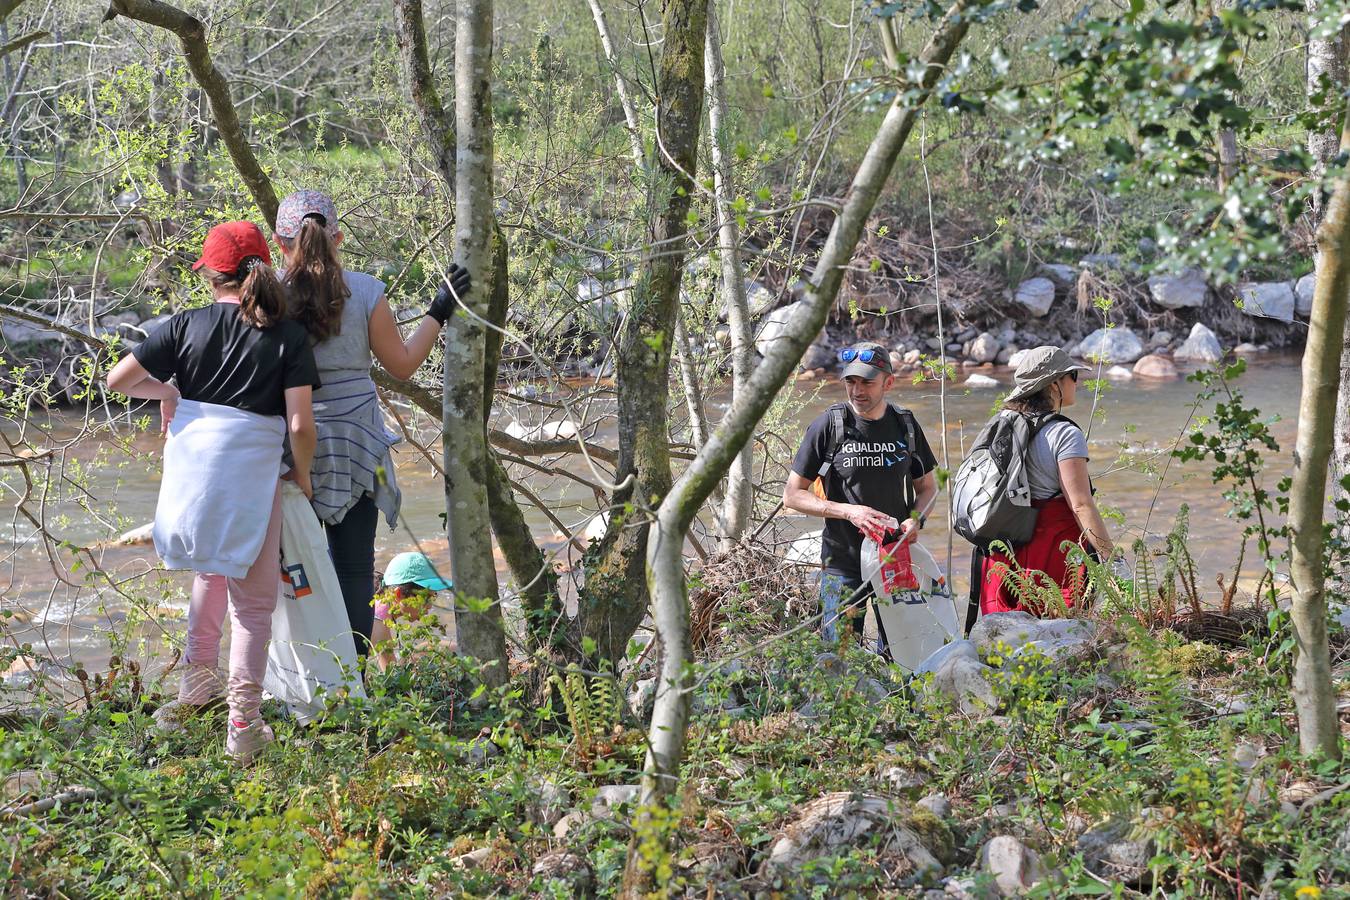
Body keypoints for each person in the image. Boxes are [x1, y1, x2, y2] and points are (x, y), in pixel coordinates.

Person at [106, 220, 320, 764]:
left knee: (209, 573)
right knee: (253, 605)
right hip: (252, 482)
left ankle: (194, 691)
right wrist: (304, 474)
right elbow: (299, 426)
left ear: (212, 276)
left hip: (195, 484)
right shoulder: (288, 336)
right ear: (262, 269)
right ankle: (243, 728)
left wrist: (170, 390)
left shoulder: (185, 326)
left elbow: (118, 380)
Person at [270, 189, 470, 658]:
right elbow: (402, 365)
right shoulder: (364, 291)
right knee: (355, 570)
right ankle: (354, 683)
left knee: (295, 573)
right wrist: (440, 308)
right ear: (338, 238)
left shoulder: (272, 297)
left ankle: (307, 679)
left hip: (294, 444)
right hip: (357, 441)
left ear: (280, 244)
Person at [782, 341, 939, 655]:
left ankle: (898, 705)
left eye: (867, 381)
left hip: (893, 561)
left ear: (888, 382)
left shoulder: (905, 425)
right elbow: (792, 495)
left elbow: (928, 489)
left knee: (903, 656)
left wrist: (916, 520)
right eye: (850, 381)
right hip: (842, 564)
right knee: (839, 659)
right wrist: (848, 512)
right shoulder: (830, 425)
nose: (857, 390)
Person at [977, 346, 1114, 615]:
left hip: (1002, 557)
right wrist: (1111, 559)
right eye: (1072, 375)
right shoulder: (1064, 434)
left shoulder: (1002, 424)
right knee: (1060, 642)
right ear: (1054, 385)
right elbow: (1081, 505)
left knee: (1008, 649)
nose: (1077, 382)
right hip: (1053, 558)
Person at [370, 551, 451, 672]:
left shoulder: (380, 605)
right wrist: (421, 650)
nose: (429, 606)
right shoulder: (378, 623)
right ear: (398, 594)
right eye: (424, 598)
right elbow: (392, 678)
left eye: (433, 596)